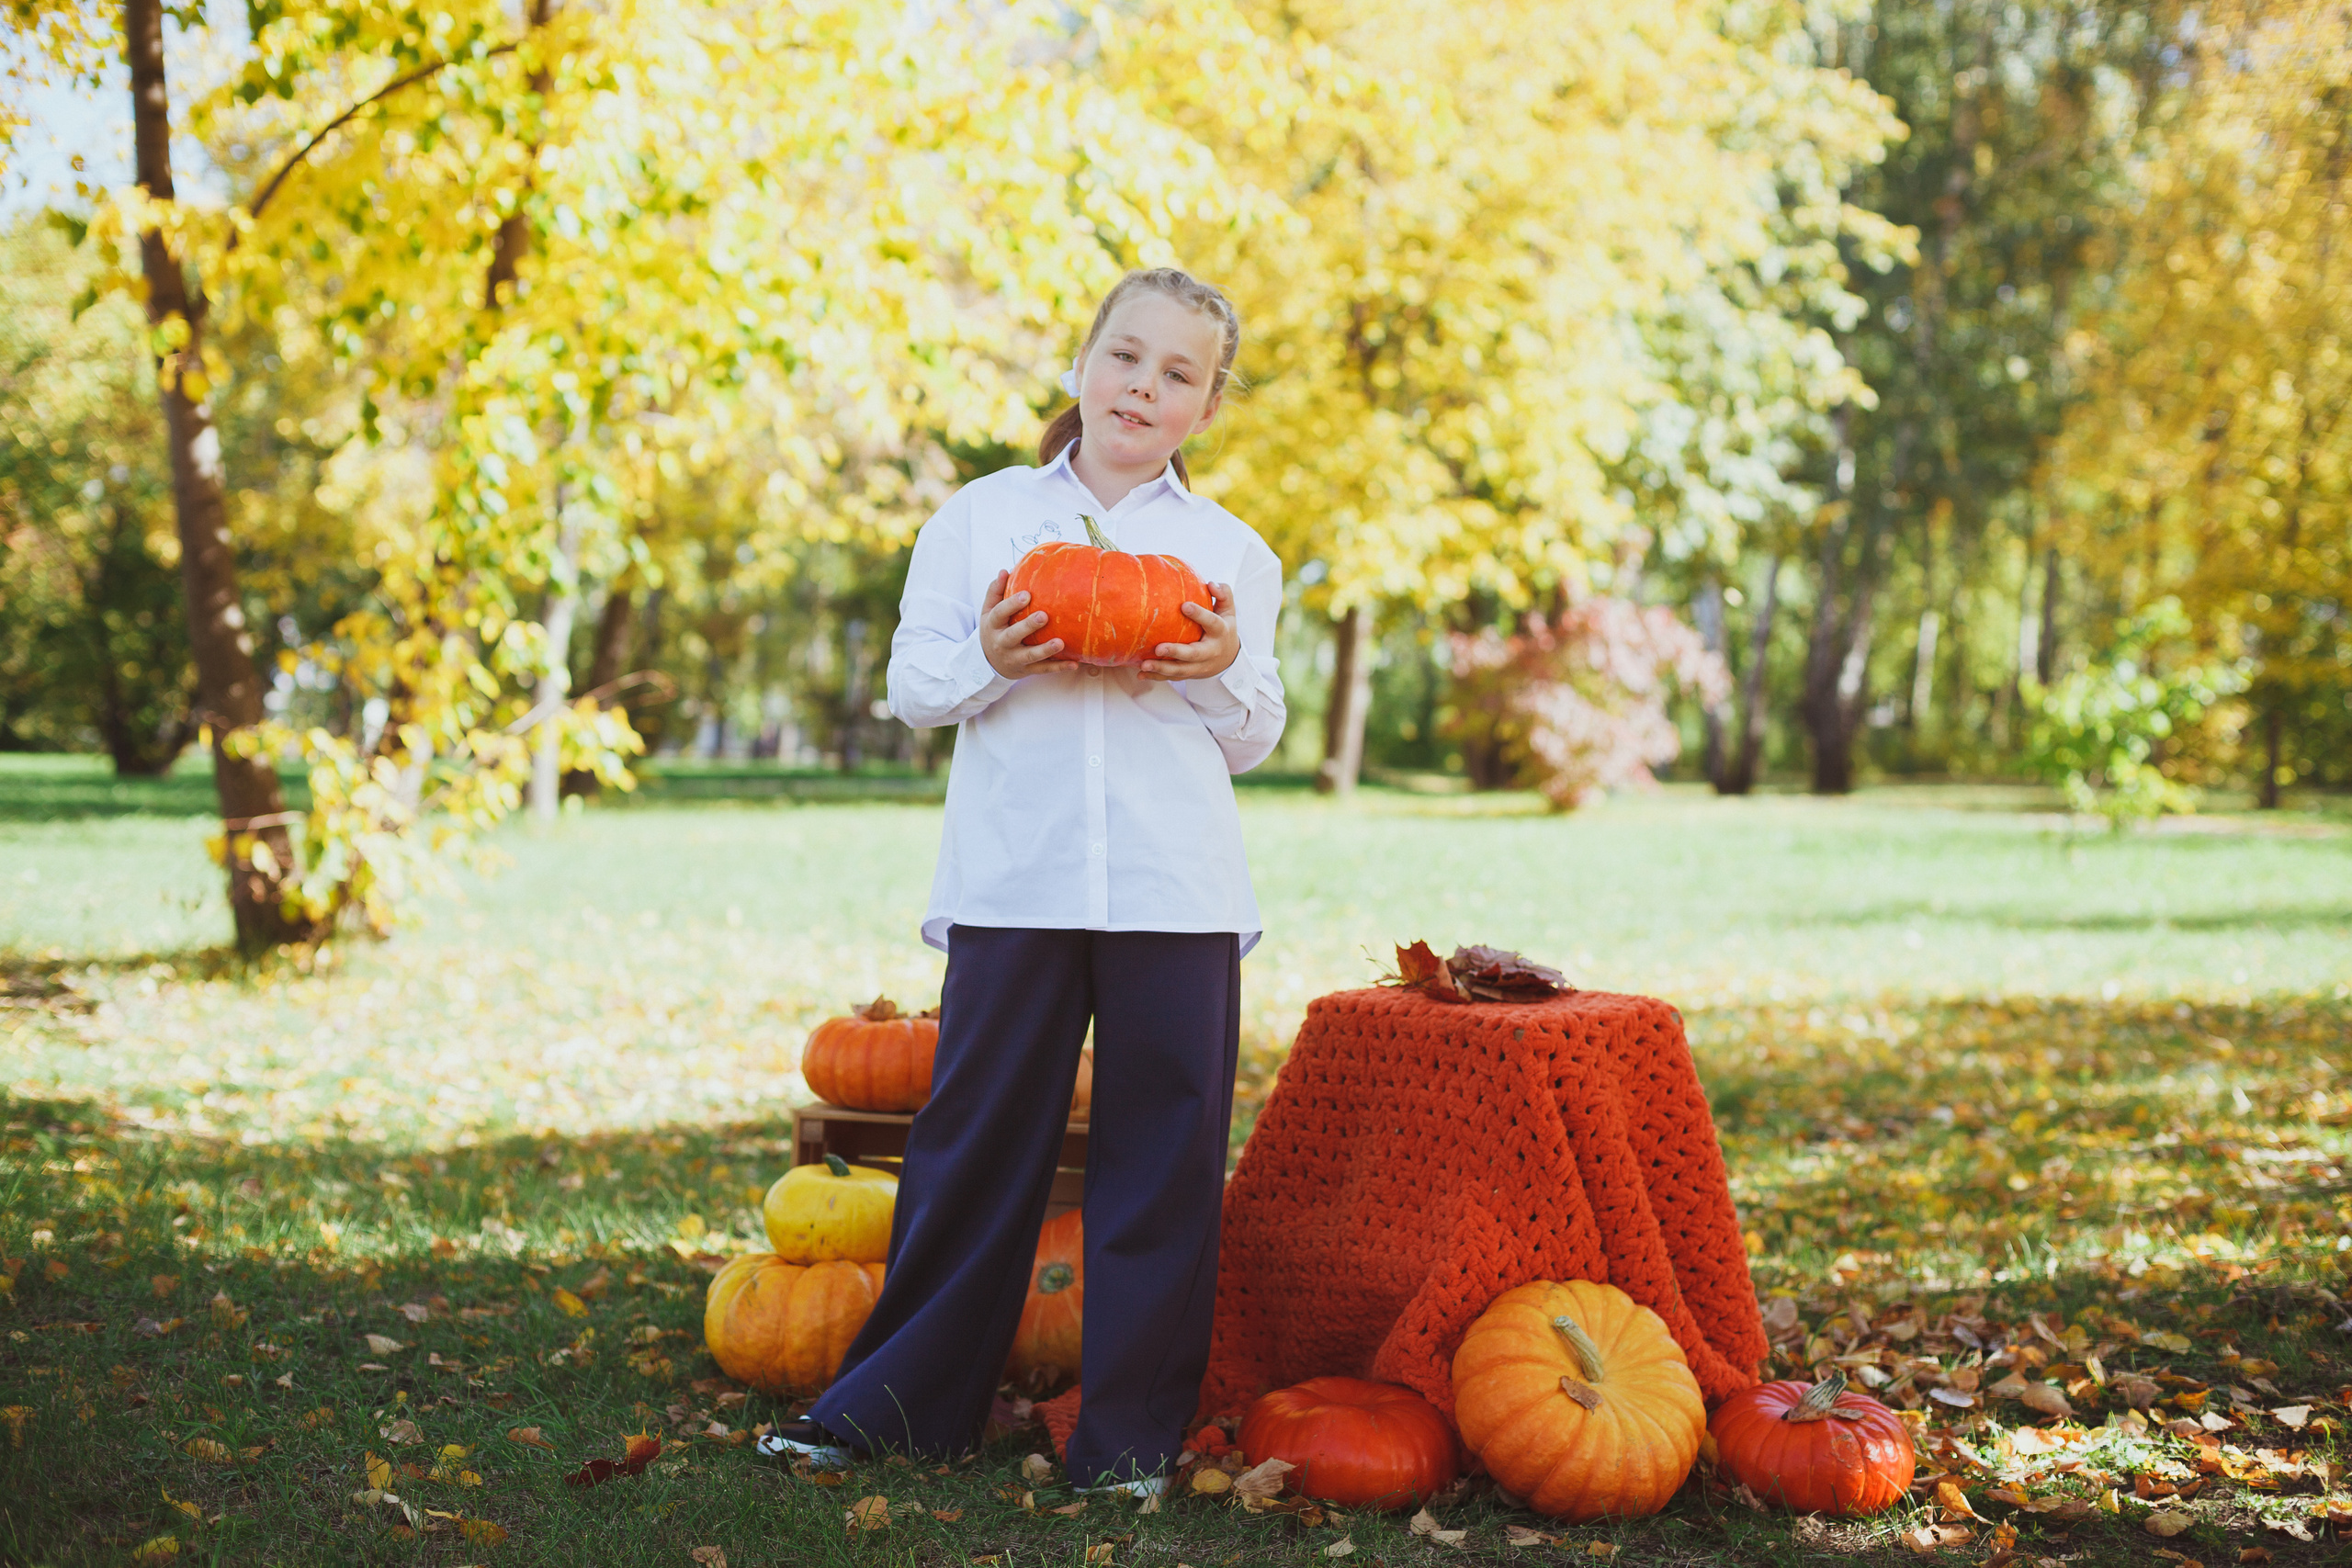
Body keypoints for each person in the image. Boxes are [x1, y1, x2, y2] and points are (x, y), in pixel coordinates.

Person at [759, 267, 1286, 1494]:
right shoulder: (985, 518)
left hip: (1176, 892)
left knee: (1161, 1160)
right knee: (974, 1147)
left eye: (1177, 375)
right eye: (1126, 357)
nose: (1143, 388)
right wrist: (993, 657)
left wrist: (1207, 669)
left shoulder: (1226, 551)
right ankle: (898, 1411)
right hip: (1016, 880)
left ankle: (1129, 1444)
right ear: (1080, 366)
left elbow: (1254, 729)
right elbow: (913, 685)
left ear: (1208, 407)